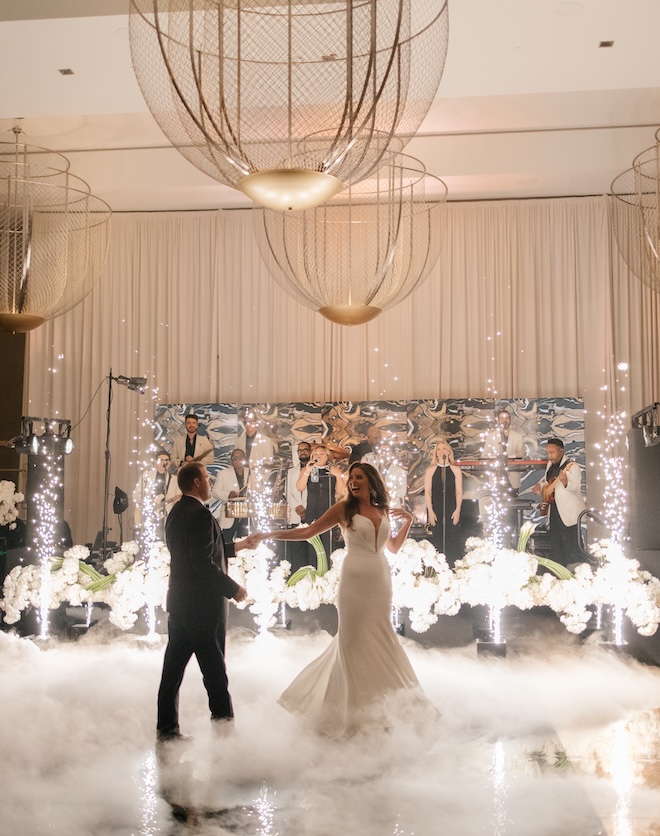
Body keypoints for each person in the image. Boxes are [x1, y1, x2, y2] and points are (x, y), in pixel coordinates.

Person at [253, 462, 432, 737]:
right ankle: (350, 716)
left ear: (371, 481)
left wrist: (407, 520)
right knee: (351, 642)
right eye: (351, 478)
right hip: (354, 581)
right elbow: (307, 532)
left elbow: (393, 547)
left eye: (359, 478)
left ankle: (386, 708)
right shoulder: (343, 509)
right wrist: (269, 534)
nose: (353, 482)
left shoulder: (382, 509)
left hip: (380, 580)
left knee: (382, 638)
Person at [156, 461, 251, 742]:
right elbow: (201, 561)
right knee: (215, 674)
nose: (210, 483)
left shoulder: (176, 512)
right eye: (207, 479)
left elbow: (200, 551)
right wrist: (233, 588)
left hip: (181, 605)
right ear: (197, 482)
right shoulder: (198, 514)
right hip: (201, 608)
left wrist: (239, 546)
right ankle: (225, 735)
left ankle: (166, 729)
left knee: (172, 673)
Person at [532, 438, 586, 567]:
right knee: (556, 543)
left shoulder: (573, 467)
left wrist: (565, 481)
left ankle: (574, 572)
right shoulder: (550, 465)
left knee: (571, 545)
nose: (549, 455)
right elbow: (549, 482)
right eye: (548, 452)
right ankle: (559, 572)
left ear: (561, 452)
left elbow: (576, 488)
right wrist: (540, 486)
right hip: (555, 510)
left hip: (568, 513)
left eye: (552, 452)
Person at [296, 444, 345, 560]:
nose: (318, 456)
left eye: (321, 454)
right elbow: (299, 487)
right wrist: (307, 471)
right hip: (313, 510)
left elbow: (340, 491)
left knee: (328, 543)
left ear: (327, 456)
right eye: (315, 454)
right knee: (314, 544)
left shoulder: (333, 470)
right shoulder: (307, 469)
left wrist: (338, 475)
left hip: (329, 510)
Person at [424, 440, 463, 566]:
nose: (441, 451)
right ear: (436, 453)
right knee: (438, 537)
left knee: (452, 537)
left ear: (448, 451)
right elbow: (428, 492)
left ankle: (452, 565)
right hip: (436, 508)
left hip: (451, 507)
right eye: (439, 449)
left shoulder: (455, 469)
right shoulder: (431, 470)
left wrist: (457, 510)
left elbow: (459, 492)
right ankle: (438, 566)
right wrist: (430, 510)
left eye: (444, 448)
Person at [133, 449, 181, 540]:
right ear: (155, 461)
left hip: (165, 515)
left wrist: (177, 500)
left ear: (170, 463)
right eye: (161, 460)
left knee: (162, 539)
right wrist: (146, 503)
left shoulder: (174, 479)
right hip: (148, 513)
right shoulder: (146, 476)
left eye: (166, 460)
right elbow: (136, 494)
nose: (164, 462)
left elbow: (179, 497)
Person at [211, 449, 252, 545]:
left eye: (240, 458)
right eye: (235, 458)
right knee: (226, 543)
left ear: (245, 459)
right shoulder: (223, 474)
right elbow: (215, 492)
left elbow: (259, 490)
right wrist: (228, 494)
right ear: (231, 461)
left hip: (246, 514)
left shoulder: (251, 473)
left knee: (245, 543)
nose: (238, 460)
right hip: (229, 514)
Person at [482, 408, 527, 493]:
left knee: (513, 503)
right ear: (498, 421)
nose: (504, 420)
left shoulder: (518, 436)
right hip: (495, 477)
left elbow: (522, 456)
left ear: (510, 420)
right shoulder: (491, 436)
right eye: (501, 418)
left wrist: (511, 458)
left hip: (512, 478)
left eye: (506, 418)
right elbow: (484, 455)